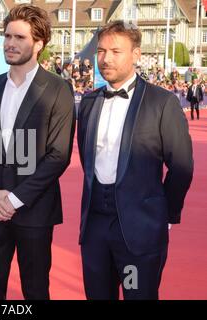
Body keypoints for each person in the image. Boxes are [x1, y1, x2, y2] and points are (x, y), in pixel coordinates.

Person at [77, 20, 193, 300]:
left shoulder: (161, 102)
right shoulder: (89, 102)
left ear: (136, 55)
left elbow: (181, 167)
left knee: (138, 294)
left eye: (116, 51)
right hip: (94, 228)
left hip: (139, 230)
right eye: (102, 51)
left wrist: (164, 214)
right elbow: (86, 157)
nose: (106, 59)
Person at [0, 4, 75, 300]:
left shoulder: (57, 89)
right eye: (7, 36)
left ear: (39, 44)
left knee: (35, 290)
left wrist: (14, 200)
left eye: (19, 37)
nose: (10, 43)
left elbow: (58, 155)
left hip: (35, 211)